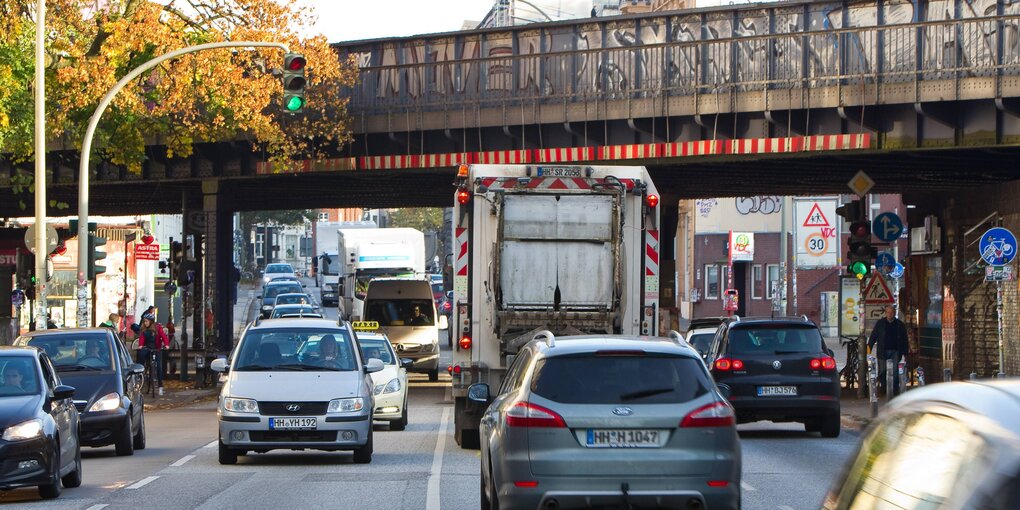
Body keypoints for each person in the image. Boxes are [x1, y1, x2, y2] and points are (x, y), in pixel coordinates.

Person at [868, 305, 910, 396]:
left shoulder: (900, 324)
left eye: (892, 312)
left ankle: (894, 389)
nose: (890, 314)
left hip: (896, 350)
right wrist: (869, 349)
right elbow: (873, 336)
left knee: (895, 370)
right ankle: (883, 388)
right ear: (885, 313)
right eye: (888, 312)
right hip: (883, 350)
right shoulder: (880, 323)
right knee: (882, 370)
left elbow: (904, 339)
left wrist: (905, 352)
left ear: (894, 313)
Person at [137, 313, 170, 395]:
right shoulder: (143, 329)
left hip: (156, 349)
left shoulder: (158, 328)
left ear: (151, 322)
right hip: (147, 348)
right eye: (144, 321)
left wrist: (166, 345)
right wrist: (140, 346)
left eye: (146, 321)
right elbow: (142, 338)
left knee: (159, 367)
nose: (145, 323)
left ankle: (160, 387)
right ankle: (139, 374)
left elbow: (164, 337)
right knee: (141, 356)